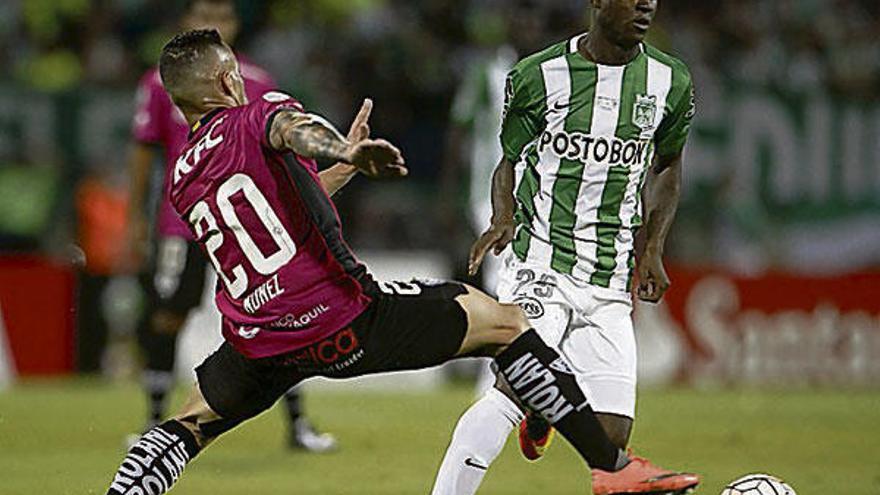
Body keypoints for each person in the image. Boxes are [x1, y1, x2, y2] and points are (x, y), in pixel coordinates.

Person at [102, 28, 673, 495]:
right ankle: (613, 468)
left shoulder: (182, 180)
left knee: (185, 425)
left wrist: (342, 171)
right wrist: (345, 148)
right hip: (343, 321)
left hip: (259, 343)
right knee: (505, 323)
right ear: (229, 78)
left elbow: (278, 212)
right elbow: (296, 130)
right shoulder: (258, 115)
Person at [431, 0, 701, 494]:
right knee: (510, 390)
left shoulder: (670, 81)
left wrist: (653, 249)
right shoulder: (538, 74)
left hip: (610, 276)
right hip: (540, 261)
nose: (646, 5)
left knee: (610, 442)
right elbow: (507, 159)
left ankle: (544, 407)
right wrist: (504, 216)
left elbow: (668, 166)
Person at [127, 0, 334, 451]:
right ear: (185, 23)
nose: (214, 25)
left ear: (235, 25)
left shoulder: (257, 81)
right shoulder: (162, 83)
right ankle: (153, 421)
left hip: (248, 226)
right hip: (182, 225)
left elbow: (282, 146)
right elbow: (144, 152)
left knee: (281, 314)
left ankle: (297, 426)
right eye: (205, 16)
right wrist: (134, 221)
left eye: (222, 17)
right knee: (168, 315)